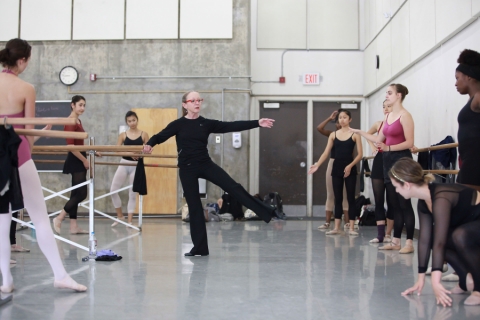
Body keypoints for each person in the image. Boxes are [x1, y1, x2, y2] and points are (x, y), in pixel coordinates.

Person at [142, 91, 275, 256]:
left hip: (205, 164)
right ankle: (200, 248)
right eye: (193, 100)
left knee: (233, 187)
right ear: (185, 104)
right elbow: (160, 136)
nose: (197, 103)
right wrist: (149, 144)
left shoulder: (206, 123)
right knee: (195, 207)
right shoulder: (178, 124)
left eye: (199, 100)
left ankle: (266, 211)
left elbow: (231, 125)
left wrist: (257, 123)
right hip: (187, 168)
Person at [0, 38, 86, 292]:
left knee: (2, 220)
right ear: (22, 60)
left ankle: (6, 280)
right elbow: (26, 132)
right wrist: (33, 145)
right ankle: (59, 274)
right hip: (20, 154)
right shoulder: (25, 87)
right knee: (39, 218)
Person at [391, 158, 480, 306]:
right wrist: (420, 279)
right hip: (469, 226)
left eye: (396, 187)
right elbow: (426, 240)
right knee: (435, 236)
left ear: (406, 185)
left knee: (460, 235)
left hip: (473, 225)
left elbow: (441, 242)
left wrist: (435, 281)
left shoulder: (441, 196)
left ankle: (479, 288)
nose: (396, 190)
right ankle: (465, 280)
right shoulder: (423, 202)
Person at [350, 84, 415, 254]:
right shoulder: (388, 117)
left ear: (399, 95)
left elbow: (409, 142)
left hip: (401, 160)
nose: (387, 95)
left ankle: (409, 242)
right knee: (393, 203)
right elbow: (378, 138)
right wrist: (360, 132)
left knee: (404, 203)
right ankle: (395, 241)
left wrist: (389, 149)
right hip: (387, 161)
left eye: (389, 93)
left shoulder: (405, 116)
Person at [308, 109, 363, 235]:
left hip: (350, 167)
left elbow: (360, 155)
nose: (342, 119)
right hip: (336, 167)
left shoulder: (355, 134)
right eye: (340, 117)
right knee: (337, 197)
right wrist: (317, 164)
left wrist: (350, 166)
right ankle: (336, 227)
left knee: (350, 197)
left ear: (350, 119)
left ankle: (351, 227)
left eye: (345, 117)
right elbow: (326, 153)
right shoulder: (333, 134)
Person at [53, 95, 97, 235]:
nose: (83, 108)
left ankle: (73, 226)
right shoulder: (71, 121)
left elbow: (79, 144)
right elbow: (71, 146)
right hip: (75, 158)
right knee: (81, 193)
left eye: (84, 105)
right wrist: (84, 160)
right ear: (72, 105)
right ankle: (59, 217)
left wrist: (93, 151)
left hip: (80, 156)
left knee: (75, 193)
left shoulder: (78, 120)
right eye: (80, 105)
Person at [110, 111, 149, 227]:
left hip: (136, 166)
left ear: (137, 120)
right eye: (129, 121)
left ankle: (129, 221)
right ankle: (120, 216)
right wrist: (130, 153)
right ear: (126, 122)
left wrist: (140, 154)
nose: (132, 123)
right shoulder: (123, 135)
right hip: (124, 163)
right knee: (113, 190)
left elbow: (149, 150)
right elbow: (117, 150)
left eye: (134, 120)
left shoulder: (144, 134)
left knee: (132, 194)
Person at [315, 110, 350, 230]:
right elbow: (319, 128)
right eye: (337, 120)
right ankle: (327, 222)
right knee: (331, 193)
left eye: (343, 118)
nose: (339, 122)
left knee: (345, 195)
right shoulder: (332, 134)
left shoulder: (351, 134)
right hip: (333, 163)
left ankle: (347, 222)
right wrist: (329, 118)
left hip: (346, 163)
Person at [365, 100, 394, 243]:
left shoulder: (398, 124)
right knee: (378, 199)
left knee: (392, 199)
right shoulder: (378, 124)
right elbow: (367, 134)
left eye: (389, 106)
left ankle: (388, 233)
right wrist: (373, 147)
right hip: (379, 159)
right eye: (384, 107)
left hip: (393, 159)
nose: (386, 109)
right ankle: (380, 234)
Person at [455, 49, 480, 192]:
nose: (455, 83)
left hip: (474, 165)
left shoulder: (477, 98)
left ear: (469, 77)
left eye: (457, 78)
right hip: (469, 163)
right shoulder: (472, 99)